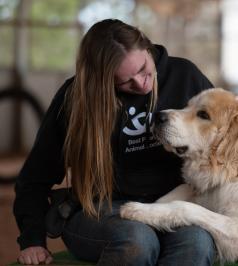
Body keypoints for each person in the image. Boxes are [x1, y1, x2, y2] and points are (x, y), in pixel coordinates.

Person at [14, 19, 216, 266]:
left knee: (196, 243)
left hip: (175, 202)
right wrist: (32, 239)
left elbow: (224, 136)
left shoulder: (185, 76)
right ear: (102, 81)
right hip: (102, 209)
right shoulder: (74, 98)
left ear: (147, 48)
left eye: (144, 69)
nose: (141, 84)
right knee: (138, 241)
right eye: (125, 82)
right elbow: (34, 177)